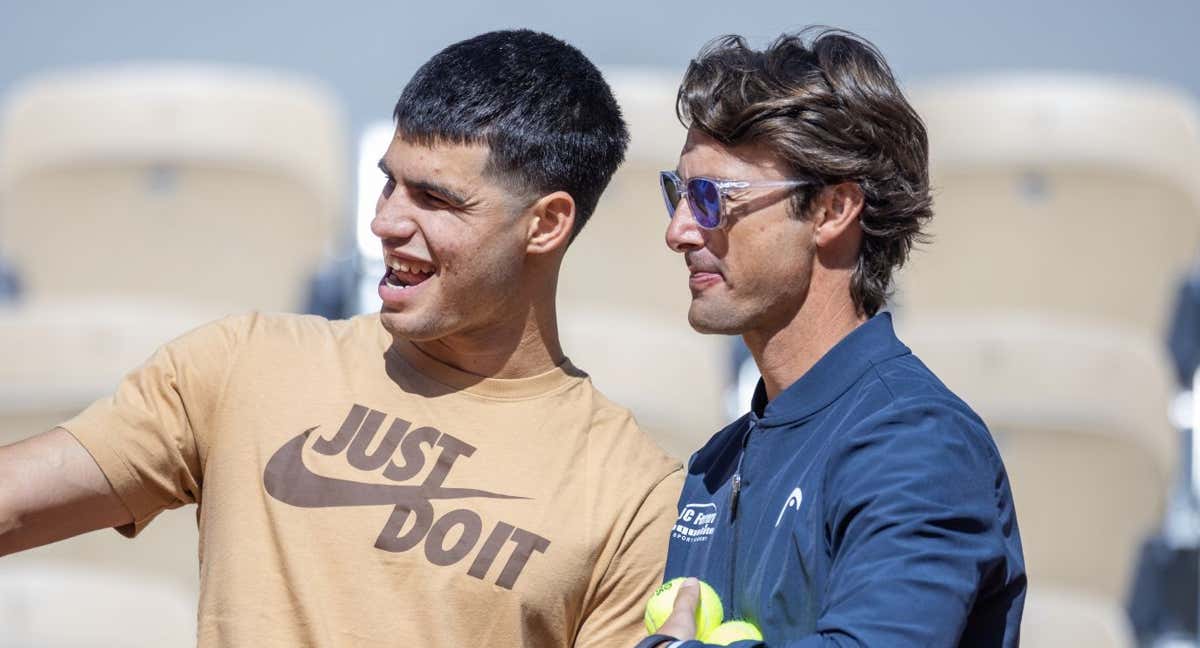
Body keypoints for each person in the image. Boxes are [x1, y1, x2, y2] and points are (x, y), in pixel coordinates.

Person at [0, 29, 683, 647]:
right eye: (389, 184)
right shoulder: (239, 364)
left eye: (436, 200)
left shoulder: (636, 497)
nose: (386, 221)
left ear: (546, 225)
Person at [639, 29, 1026, 647]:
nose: (681, 231)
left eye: (713, 197)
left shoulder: (915, 444)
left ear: (832, 210)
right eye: (679, 194)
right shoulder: (717, 465)